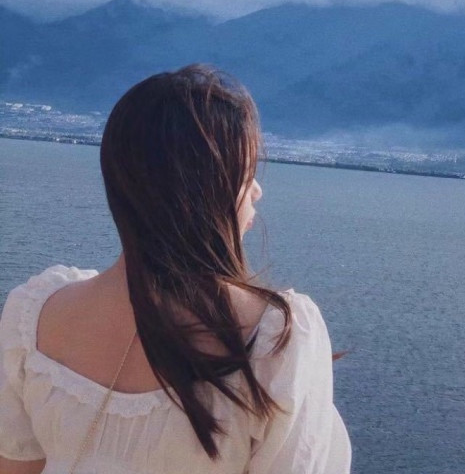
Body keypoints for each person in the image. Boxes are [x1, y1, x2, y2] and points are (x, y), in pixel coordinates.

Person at [0, 64, 351, 474]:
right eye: (246, 175)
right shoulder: (275, 338)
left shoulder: (36, 314)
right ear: (206, 191)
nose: (258, 190)